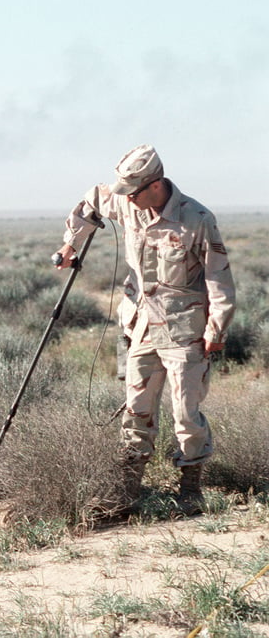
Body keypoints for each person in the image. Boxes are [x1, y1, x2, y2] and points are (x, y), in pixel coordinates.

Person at [55, 144, 235, 516]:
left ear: (155, 185)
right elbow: (92, 201)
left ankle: (190, 488)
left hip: (185, 329)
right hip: (140, 326)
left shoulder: (197, 218)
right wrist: (71, 243)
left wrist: (216, 330)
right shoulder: (125, 201)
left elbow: (219, 279)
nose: (127, 199)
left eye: (133, 192)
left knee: (185, 411)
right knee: (136, 408)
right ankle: (128, 488)